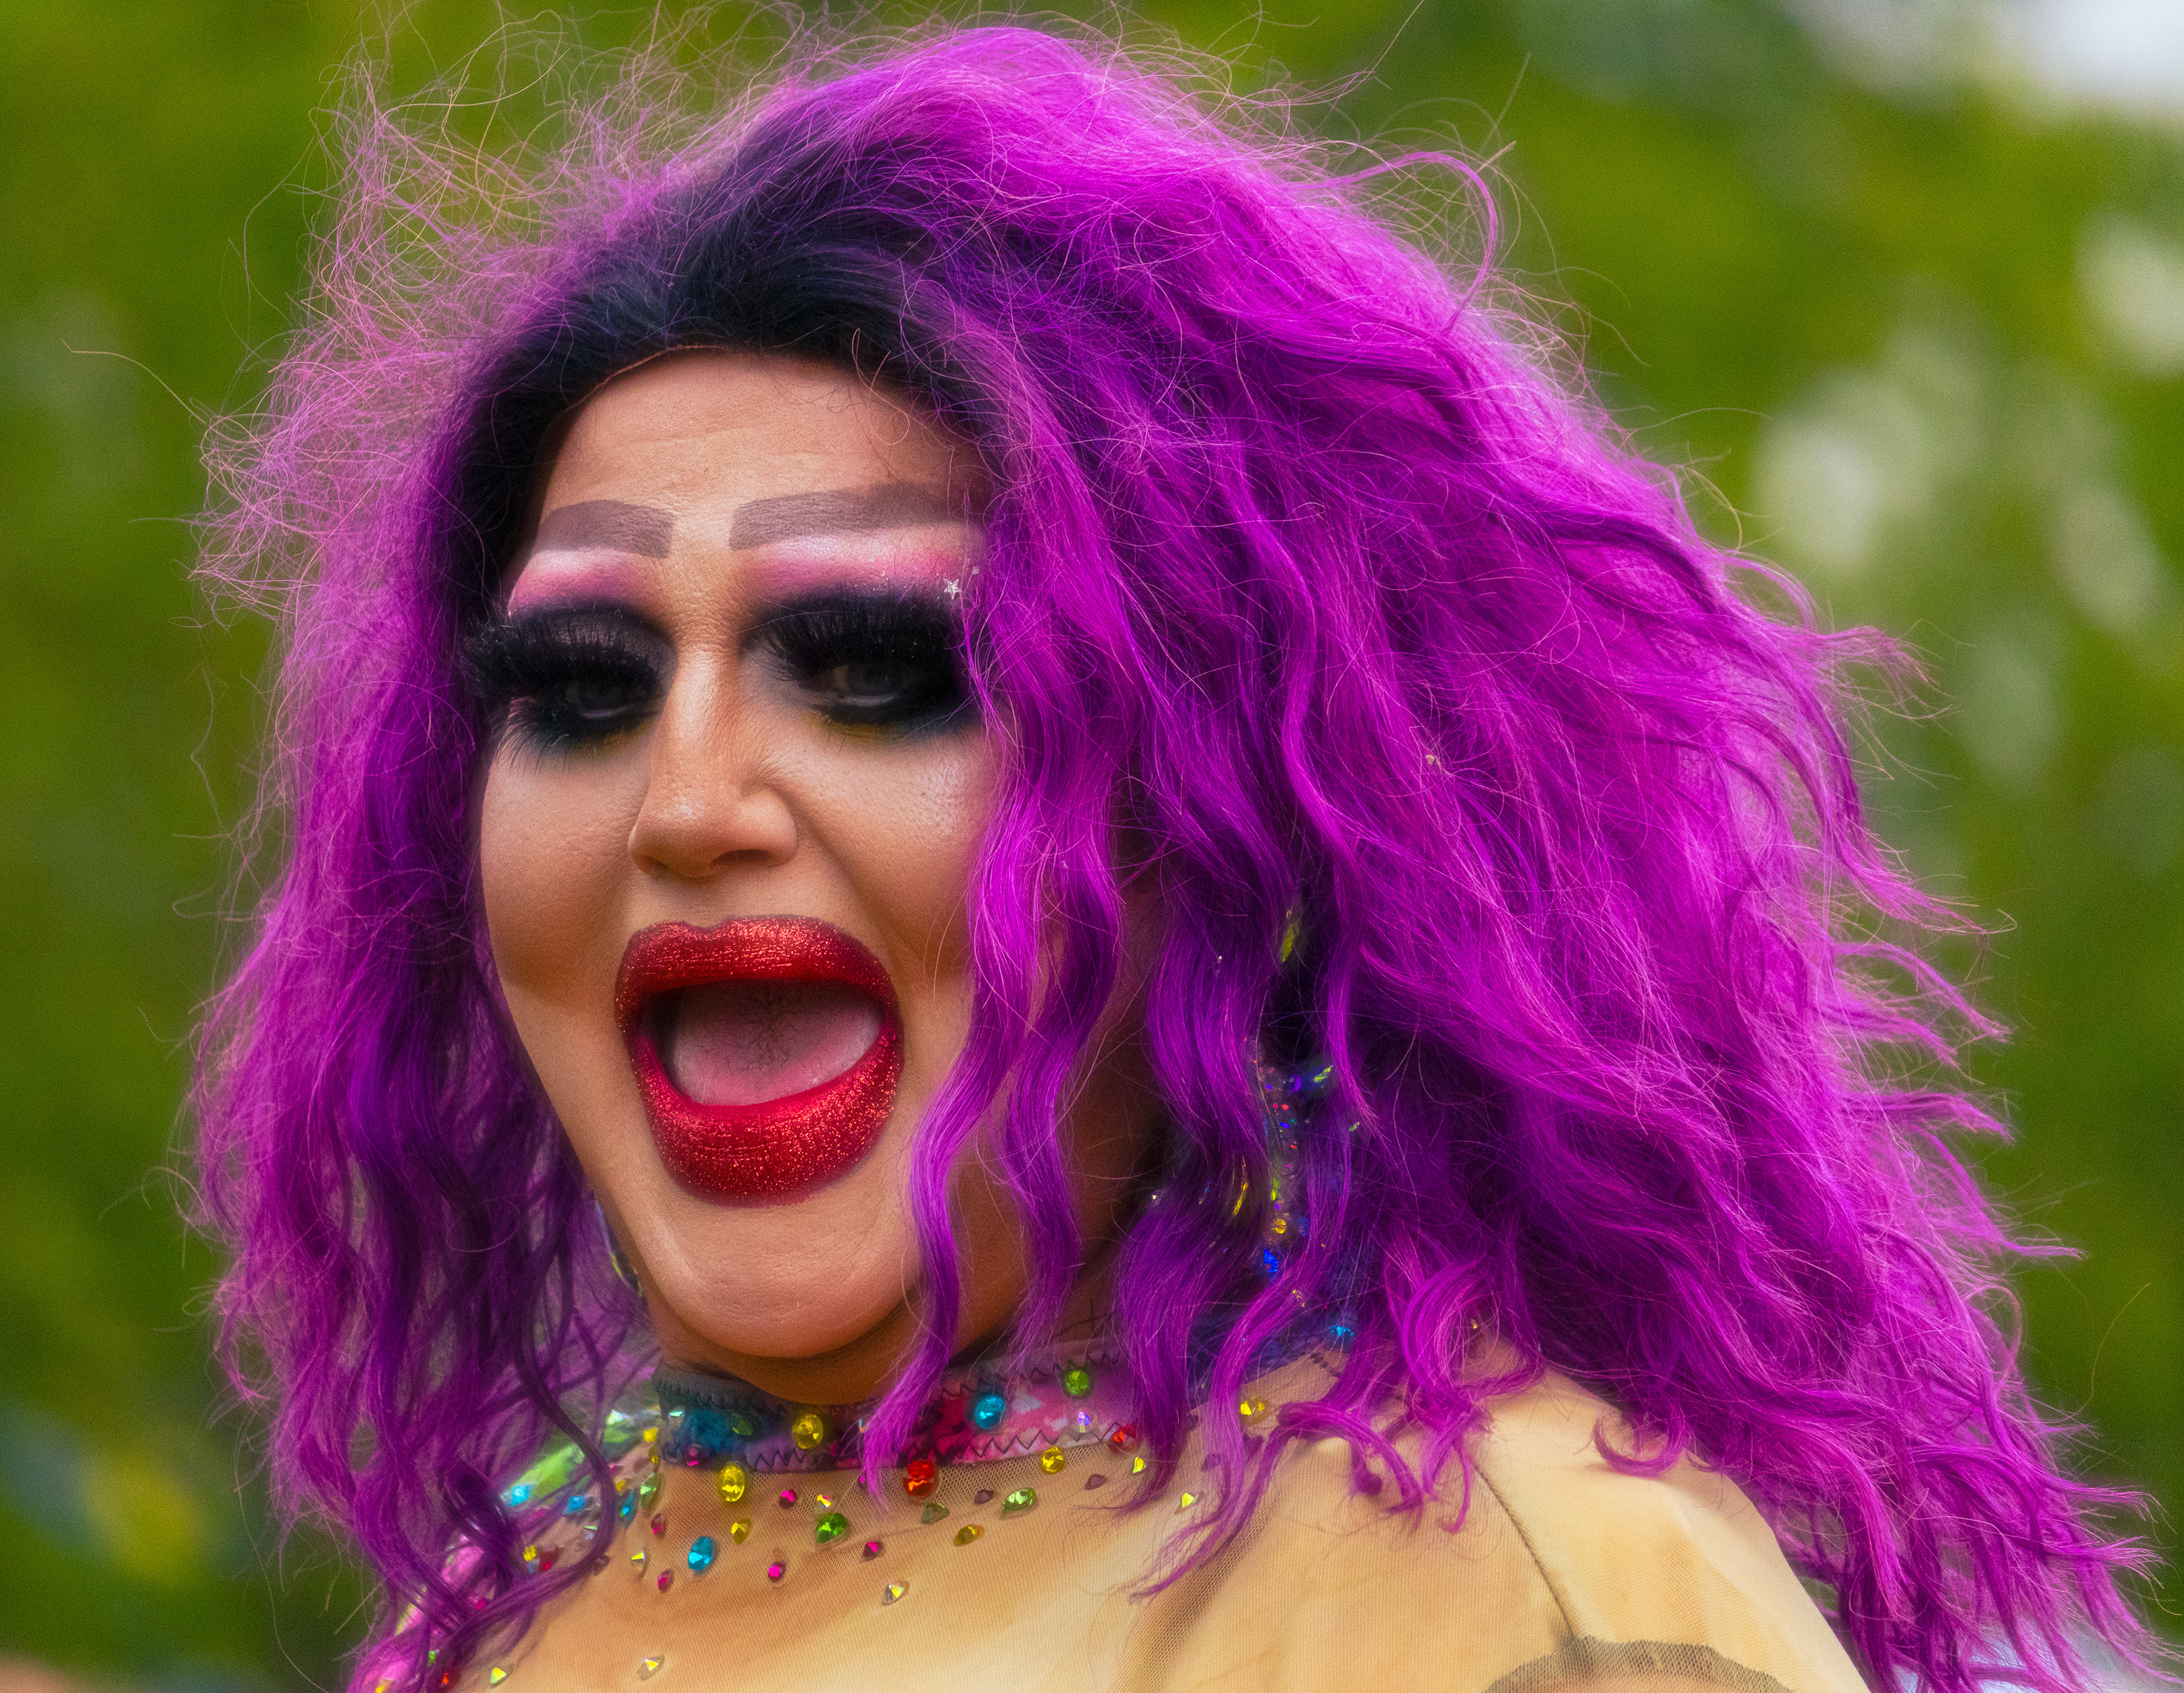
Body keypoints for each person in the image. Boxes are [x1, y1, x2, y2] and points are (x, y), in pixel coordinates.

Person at [191, 26, 2158, 1693]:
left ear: (1218, 816)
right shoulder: (507, 1623)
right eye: (584, 686)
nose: (686, 799)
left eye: (880, 666)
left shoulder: (1544, 1599)